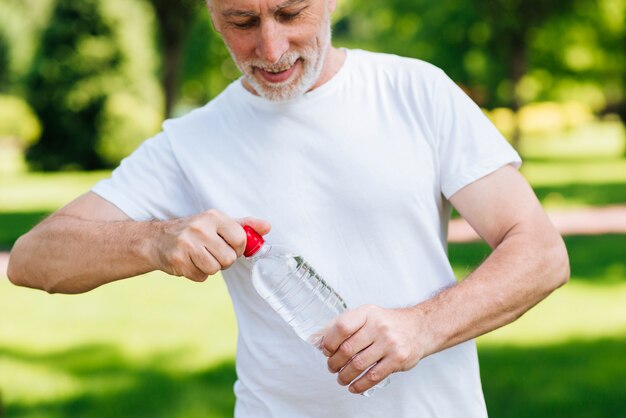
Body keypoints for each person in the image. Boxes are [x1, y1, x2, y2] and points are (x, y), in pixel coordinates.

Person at [7, 0, 570, 416]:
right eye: (242, 23)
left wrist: (422, 326)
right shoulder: (191, 142)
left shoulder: (415, 91)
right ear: (212, 14)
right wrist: (153, 240)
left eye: (289, 13)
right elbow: (33, 260)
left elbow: (540, 252)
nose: (270, 50)